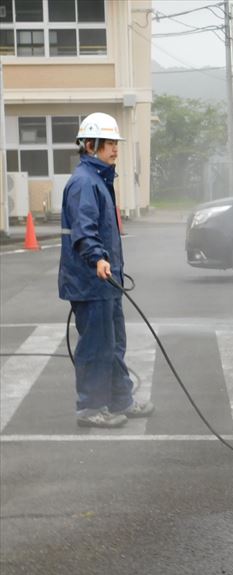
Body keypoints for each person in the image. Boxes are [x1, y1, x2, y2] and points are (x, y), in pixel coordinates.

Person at [58, 112, 154, 428]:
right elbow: (84, 230)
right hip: (91, 280)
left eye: (115, 143)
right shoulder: (84, 183)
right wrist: (98, 258)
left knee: (113, 343)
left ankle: (119, 400)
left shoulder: (99, 180)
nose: (115, 149)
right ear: (89, 145)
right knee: (96, 346)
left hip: (106, 282)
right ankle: (90, 408)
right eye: (109, 143)